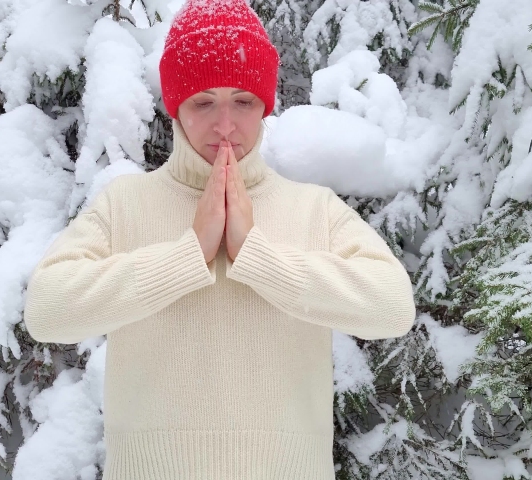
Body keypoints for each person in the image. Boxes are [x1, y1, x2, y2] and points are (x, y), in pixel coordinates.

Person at [22, 0, 416, 477]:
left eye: (243, 101)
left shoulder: (314, 208)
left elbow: (393, 306)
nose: (225, 125)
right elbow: (46, 310)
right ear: (176, 106)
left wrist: (257, 254)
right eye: (204, 102)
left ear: (265, 105)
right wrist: (188, 253)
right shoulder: (125, 205)